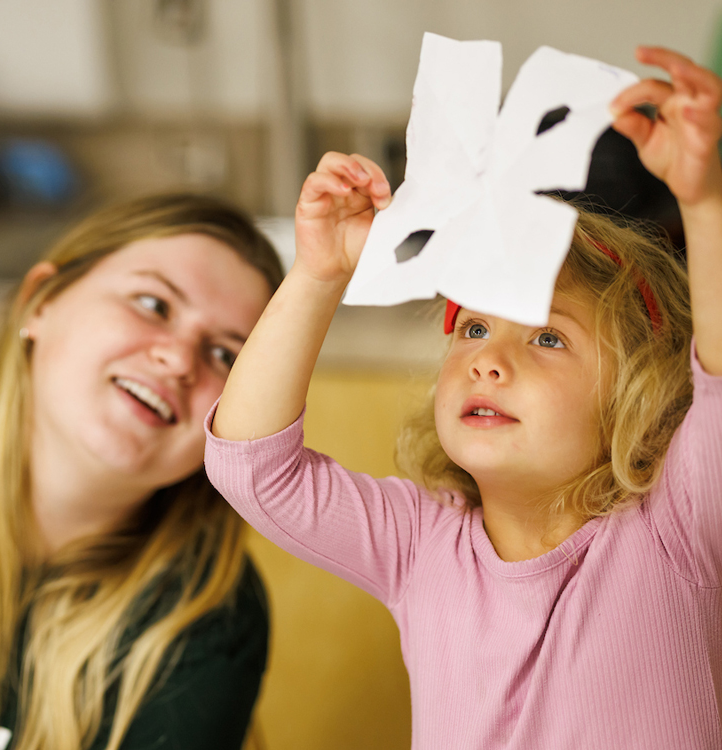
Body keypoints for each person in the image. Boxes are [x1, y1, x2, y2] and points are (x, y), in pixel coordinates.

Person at [205, 46, 722, 749]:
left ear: (640, 396)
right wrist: (321, 272)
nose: (488, 363)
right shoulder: (421, 546)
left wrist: (705, 199)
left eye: (546, 339)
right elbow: (251, 467)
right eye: (474, 328)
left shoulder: (677, 529)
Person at [0, 193, 284, 750]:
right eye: (153, 303)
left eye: (226, 356)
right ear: (39, 301)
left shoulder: (211, 616)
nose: (180, 359)